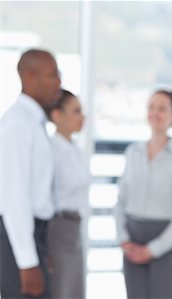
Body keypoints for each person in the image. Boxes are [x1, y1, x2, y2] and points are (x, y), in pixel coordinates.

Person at [114, 90, 172, 299]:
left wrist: (154, 249)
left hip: (165, 243)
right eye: (151, 107)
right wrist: (124, 239)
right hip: (132, 242)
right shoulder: (133, 153)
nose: (155, 113)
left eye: (162, 108)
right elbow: (120, 201)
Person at [0, 49, 61, 298]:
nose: (59, 82)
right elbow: (14, 196)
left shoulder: (34, 122)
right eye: (52, 75)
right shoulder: (17, 123)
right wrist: (27, 261)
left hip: (34, 233)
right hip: (18, 235)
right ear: (29, 76)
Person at [46, 89, 90, 299]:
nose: (83, 117)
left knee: (75, 292)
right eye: (76, 111)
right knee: (59, 291)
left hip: (75, 229)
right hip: (56, 230)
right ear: (57, 115)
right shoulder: (48, 151)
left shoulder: (76, 150)